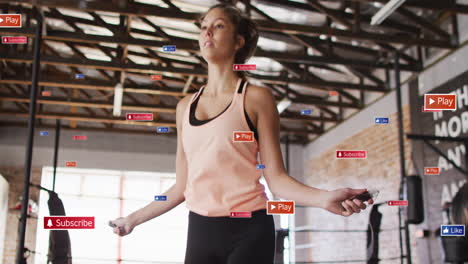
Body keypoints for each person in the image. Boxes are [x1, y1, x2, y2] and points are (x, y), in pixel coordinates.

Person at [110, 3, 374, 263]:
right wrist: (132, 219)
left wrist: (324, 198)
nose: (207, 33)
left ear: (238, 41)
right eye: (203, 27)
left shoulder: (256, 99)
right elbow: (181, 186)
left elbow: (277, 179)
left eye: (218, 26)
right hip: (201, 231)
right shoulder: (184, 108)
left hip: (250, 230)